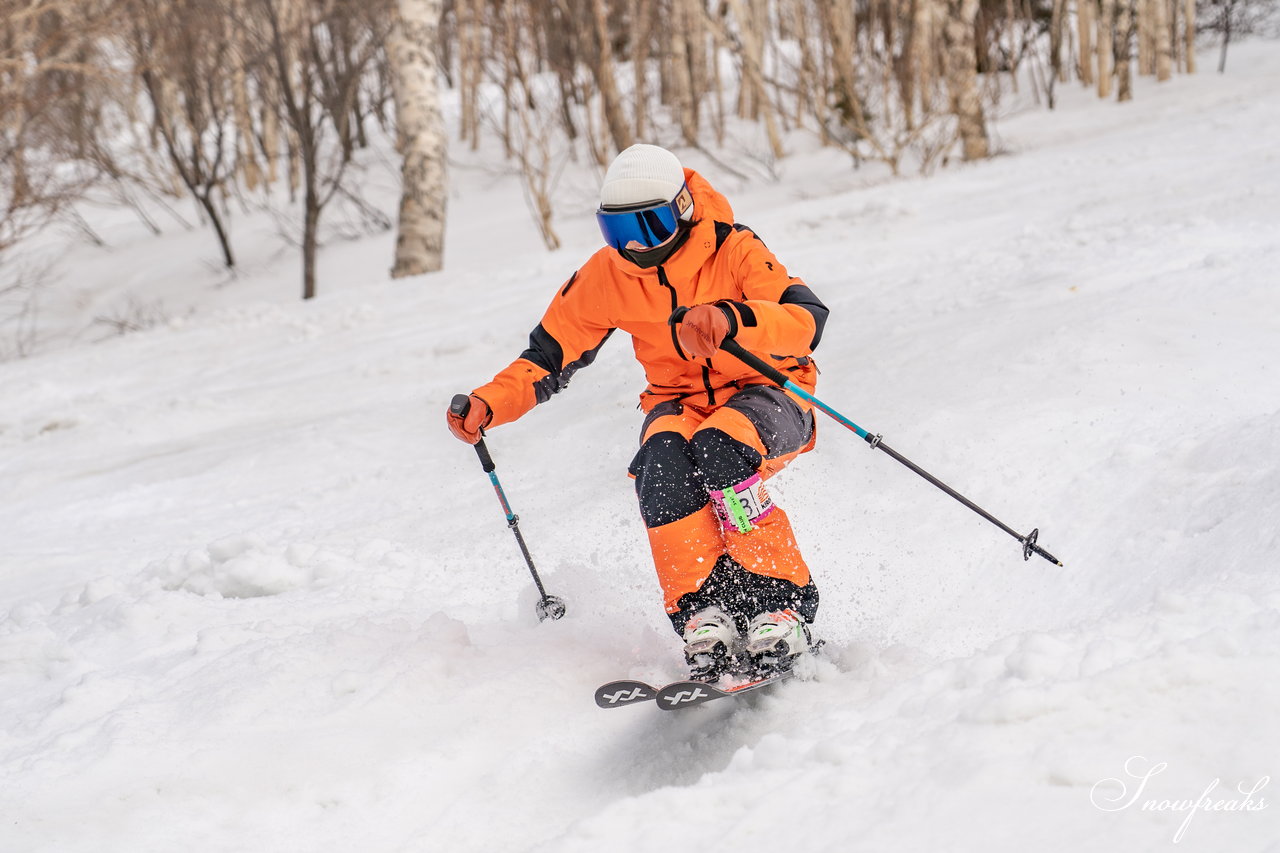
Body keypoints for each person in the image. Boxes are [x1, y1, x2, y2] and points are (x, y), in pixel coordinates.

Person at [447, 143, 829, 683]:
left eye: (647, 228)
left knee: (722, 447)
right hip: (677, 402)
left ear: (681, 209)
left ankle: (780, 603)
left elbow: (805, 317)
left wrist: (732, 317)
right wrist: (491, 403)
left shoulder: (733, 249)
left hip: (769, 389)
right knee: (663, 466)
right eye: (616, 232)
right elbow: (549, 355)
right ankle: (704, 611)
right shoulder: (608, 275)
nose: (633, 248)